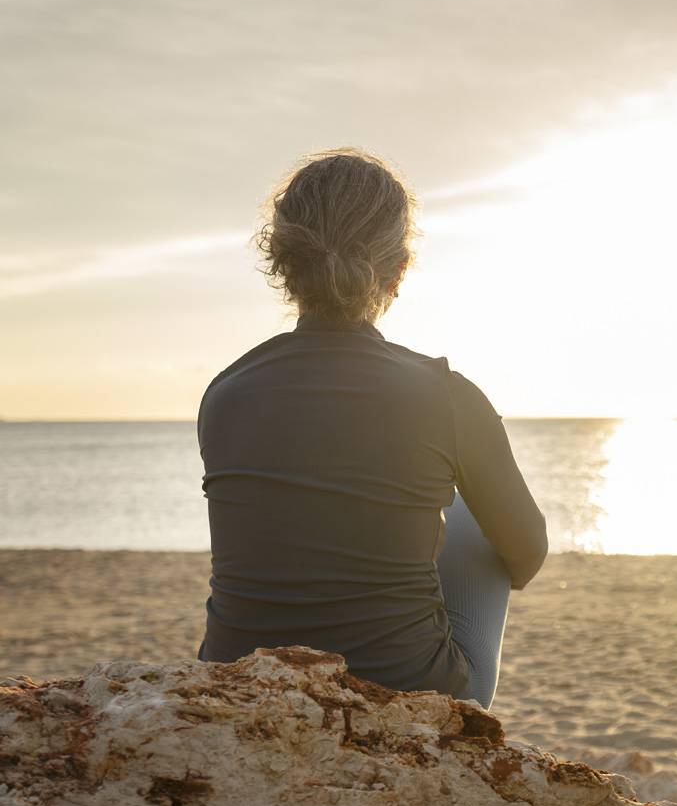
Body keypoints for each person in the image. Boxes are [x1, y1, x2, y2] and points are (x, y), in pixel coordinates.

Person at [196, 149, 546, 709]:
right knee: (468, 517)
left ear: (282, 261)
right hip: (404, 693)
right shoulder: (448, 396)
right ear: (399, 267)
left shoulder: (226, 390)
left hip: (238, 684)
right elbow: (527, 553)